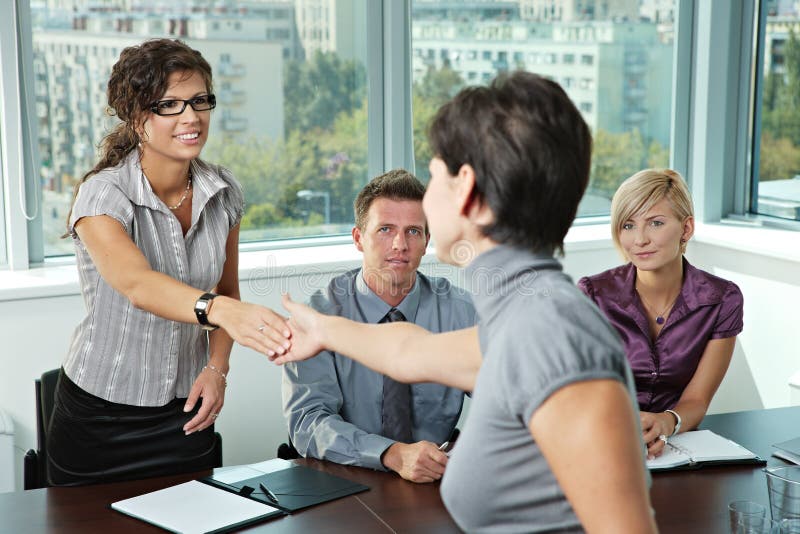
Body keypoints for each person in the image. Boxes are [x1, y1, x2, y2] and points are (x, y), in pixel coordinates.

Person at [269, 72, 656, 532]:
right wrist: (323, 329)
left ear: (465, 188)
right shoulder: (520, 315)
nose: (408, 233)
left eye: (434, 176)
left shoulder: (549, 330)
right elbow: (407, 352)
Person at [48, 38, 291, 486]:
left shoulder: (224, 191)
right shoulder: (104, 194)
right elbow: (138, 285)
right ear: (138, 119)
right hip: (100, 421)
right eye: (170, 105)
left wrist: (217, 370)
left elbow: (228, 289)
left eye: (200, 100)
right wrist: (221, 311)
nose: (191, 117)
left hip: (185, 414)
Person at [282, 170, 476, 483]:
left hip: (435, 482)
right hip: (344, 480)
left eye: (413, 231)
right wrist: (391, 453)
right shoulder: (320, 316)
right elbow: (308, 422)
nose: (400, 244)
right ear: (359, 238)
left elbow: (505, 398)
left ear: (427, 241)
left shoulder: (460, 311)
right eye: (385, 229)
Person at [577, 169, 743, 459]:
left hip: (678, 450)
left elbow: (697, 399)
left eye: (655, 223)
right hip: (600, 443)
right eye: (628, 225)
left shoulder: (722, 299)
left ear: (686, 228)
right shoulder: (593, 295)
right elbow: (581, 391)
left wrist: (667, 422)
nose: (639, 239)